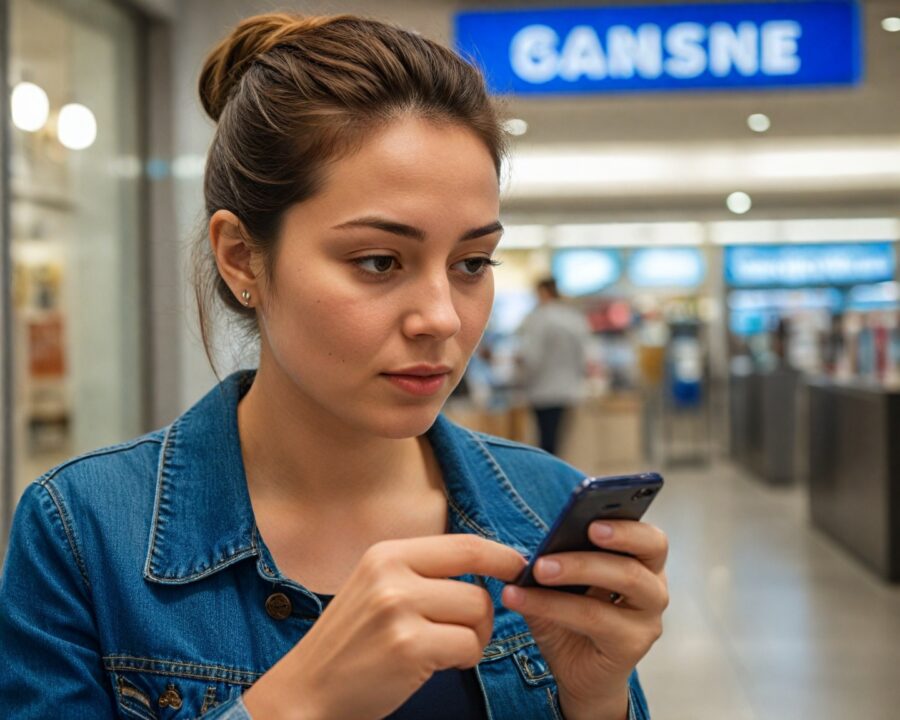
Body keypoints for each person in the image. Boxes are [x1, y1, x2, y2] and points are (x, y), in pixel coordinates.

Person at [0, 13, 668, 720]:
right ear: (240, 257)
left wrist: (595, 702)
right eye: (378, 261)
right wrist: (298, 703)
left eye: (471, 263)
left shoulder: (544, 507)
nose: (441, 316)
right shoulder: (86, 530)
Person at [518, 278, 592, 456]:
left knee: (546, 441)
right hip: (569, 389)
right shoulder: (574, 317)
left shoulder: (539, 318)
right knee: (560, 441)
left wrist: (519, 374)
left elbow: (531, 357)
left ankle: (547, 480)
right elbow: (585, 355)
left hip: (543, 390)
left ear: (543, 292)